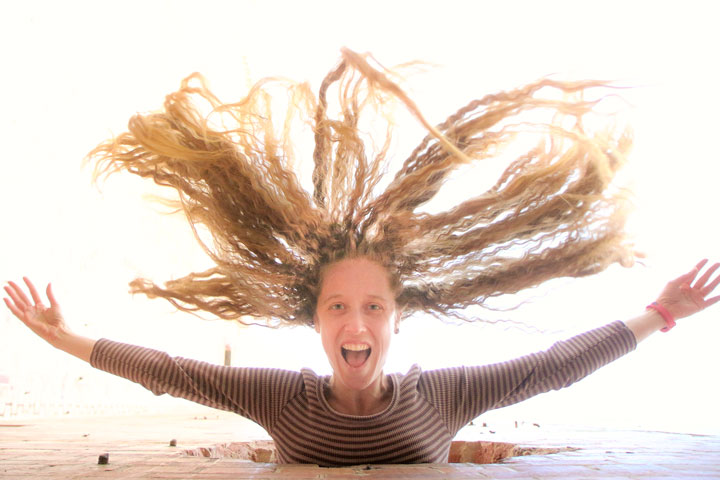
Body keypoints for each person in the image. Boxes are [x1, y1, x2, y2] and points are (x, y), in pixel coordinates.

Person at [4, 49, 719, 465]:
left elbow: (551, 366)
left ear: (396, 320)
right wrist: (65, 337)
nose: (356, 323)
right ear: (314, 321)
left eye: (373, 307)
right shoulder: (279, 397)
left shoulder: (442, 396)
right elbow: (169, 372)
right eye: (338, 307)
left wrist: (662, 313)